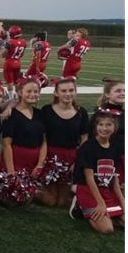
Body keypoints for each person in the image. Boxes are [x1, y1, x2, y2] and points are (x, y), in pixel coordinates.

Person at [72, 110, 125, 234]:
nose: (104, 128)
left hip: (106, 190)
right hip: (88, 190)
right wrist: (100, 203)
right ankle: (80, 206)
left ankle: (112, 215)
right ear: (95, 126)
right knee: (107, 229)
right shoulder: (88, 147)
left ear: (114, 127)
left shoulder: (115, 147)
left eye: (108, 125)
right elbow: (89, 178)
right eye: (101, 125)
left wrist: (122, 199)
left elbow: (114, 176)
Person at [39, 77, 89, 208]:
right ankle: (32, 189)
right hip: (50, 154)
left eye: (71, 90)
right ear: (56, 93)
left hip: (71, 156)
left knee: (61, 203)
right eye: (64, 91)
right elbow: (42, 136)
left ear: (75, 92)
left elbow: (84, 138)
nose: (68, 93)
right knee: (51, 201)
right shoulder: (46, 110)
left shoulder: (81, 112)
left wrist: (78, 160)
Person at [2, 77, 47, 178]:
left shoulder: (40, 114)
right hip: (16, 162)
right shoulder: (11, 114)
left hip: (35, 163)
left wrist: (40, 165)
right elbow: (6, 144)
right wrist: (11, 170)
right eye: (29, 91)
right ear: (20, 92)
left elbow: (43, 142)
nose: (33, 94)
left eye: (36, 91)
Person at [96, 78, 126, 184]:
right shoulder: (102, 114)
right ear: (108, 94)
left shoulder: (122, 112)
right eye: (118, 91)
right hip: (111, 159)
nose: (122, 93)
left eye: (124, 91)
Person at [2, 26, 27, 91]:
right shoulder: (24, 42)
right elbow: (21, 54)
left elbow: (3, 54)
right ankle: (17, 96)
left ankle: (11, 98)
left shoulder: (10, 42)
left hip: (9, 63)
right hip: (18, 62)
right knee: (17, 81)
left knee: (9, 82)